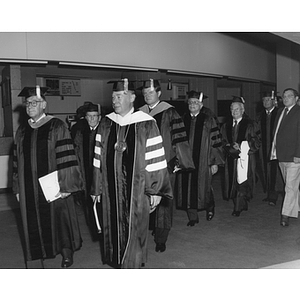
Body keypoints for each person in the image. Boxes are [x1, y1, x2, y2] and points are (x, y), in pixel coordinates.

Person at [90, 79, 172, 268]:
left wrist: (156, 191)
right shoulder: (106, 124)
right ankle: (117, 262)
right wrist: (96, 188)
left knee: (135, 230)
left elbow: (155, 159)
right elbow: (97, 160)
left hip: (138, 190)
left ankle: (132, 265)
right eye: (113, 97)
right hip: (111, 191)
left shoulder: (146, 124)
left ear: (133, 97)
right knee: (113, 229)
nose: (115, 101)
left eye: (120, 96)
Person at [13, 85, 83, 268]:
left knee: (60, 220)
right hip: (28, 188)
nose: (29, 106)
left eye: (34, 103)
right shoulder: (21, 131)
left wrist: (67, 186)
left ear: (44, 105)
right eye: (27, 103)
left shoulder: (56, 126)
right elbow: (16, 162)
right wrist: (17, 187)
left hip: (54, 186)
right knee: (31, 224)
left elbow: (67, 156)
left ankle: (67, 253)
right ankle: (36, 260)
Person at [139, 79, 194, 252]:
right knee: (143, 199)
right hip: (143, 166)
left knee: (163, 203)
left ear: (159, 93)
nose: (148, 95)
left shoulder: (170, 112)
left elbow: (179, 138)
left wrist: (178, 162)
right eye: (145, 93)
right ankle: (148, 230)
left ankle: (161, 238)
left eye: (151, 92)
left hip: (165, 165)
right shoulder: (138, 113)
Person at [176, 91, 224, 226]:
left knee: (204, 187)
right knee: (187, 188)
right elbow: (177, 141)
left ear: (201, 105)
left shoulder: (209, 120)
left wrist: (214, 162)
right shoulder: (182, 119)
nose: (192, 105)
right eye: (190, 102)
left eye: (195, 102)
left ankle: (210, 207)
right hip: (186, 161)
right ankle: (192, 216)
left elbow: (216, 142)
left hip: (203, 160)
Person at [220, 96, 261, 217]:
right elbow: (221, 141)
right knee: (233, 182)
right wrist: (229, 146)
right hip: (231, 158)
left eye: (237, 109)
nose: (234, 112)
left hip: (246, 158)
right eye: (232, 109)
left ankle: (238, 207)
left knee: (242, 181)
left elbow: (257, 141)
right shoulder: (225, 125)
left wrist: (243, 145)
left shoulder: (251, 124)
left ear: (243, 110)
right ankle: (241, 203)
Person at [270, 88, 300, 226]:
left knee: (289, 186)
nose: (286, 98)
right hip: (281, 155)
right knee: (292, 186)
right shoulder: (281, 112)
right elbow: (277, 133)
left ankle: (285, 215)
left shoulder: (298, 112)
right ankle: (297, 208)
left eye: (289, 96)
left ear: (296, 98)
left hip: (294, 156)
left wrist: (298, 154)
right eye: (284, 96)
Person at [71, 102, 101, 239]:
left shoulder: (106, 131)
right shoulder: (80, 132)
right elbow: (76, 153)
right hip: (85, 173)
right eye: (89, 116)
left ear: (99, 117)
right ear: (85, 117)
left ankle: (103, 229)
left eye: (95, 116)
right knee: (88, 204)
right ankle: (94, 230)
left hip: (101, 176)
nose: (92, 119)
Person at [256, 91, 280, 206]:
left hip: (276, 147)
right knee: (265, 169)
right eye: (264, 100)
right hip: (263, 148)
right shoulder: (261, 115)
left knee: (275, 171)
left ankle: (273, 196)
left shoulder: (279, 113)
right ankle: (269, 194)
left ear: (274, 101)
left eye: (268, 100)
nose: (266, 102)